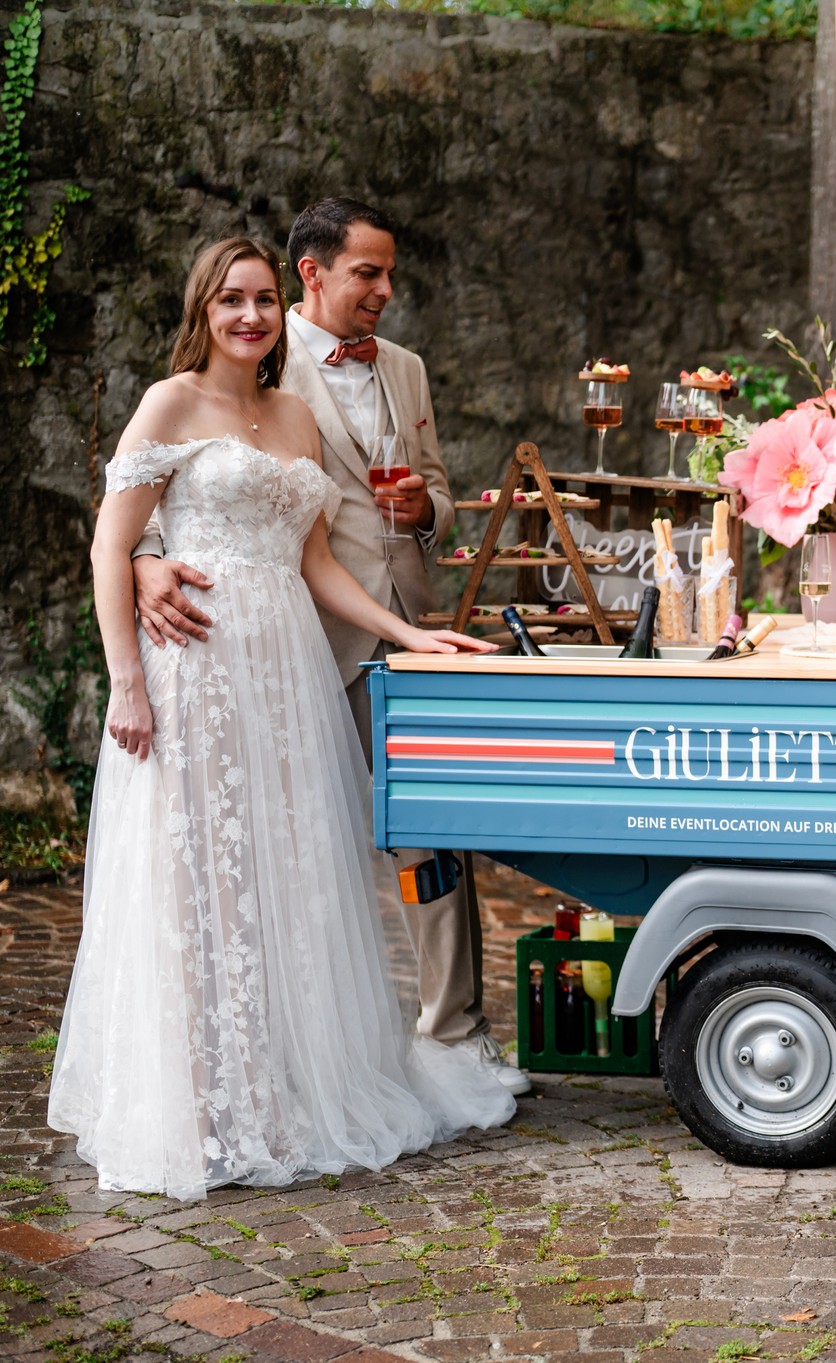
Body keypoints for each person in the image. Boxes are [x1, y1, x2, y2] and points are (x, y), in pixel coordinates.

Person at [50, 237, 515, 1199]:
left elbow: (317, 563)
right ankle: (200, 1105)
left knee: (283, 874)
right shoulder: (169, 402)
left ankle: (278, 1088)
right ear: (203, 309)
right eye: (232, 300)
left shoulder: (295, 415)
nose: (251, 316)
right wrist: (126, 681)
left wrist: (406, 633)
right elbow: (110, 545)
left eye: (262, 300)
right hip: (197, 672)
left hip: (287, 673)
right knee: (199, 880)